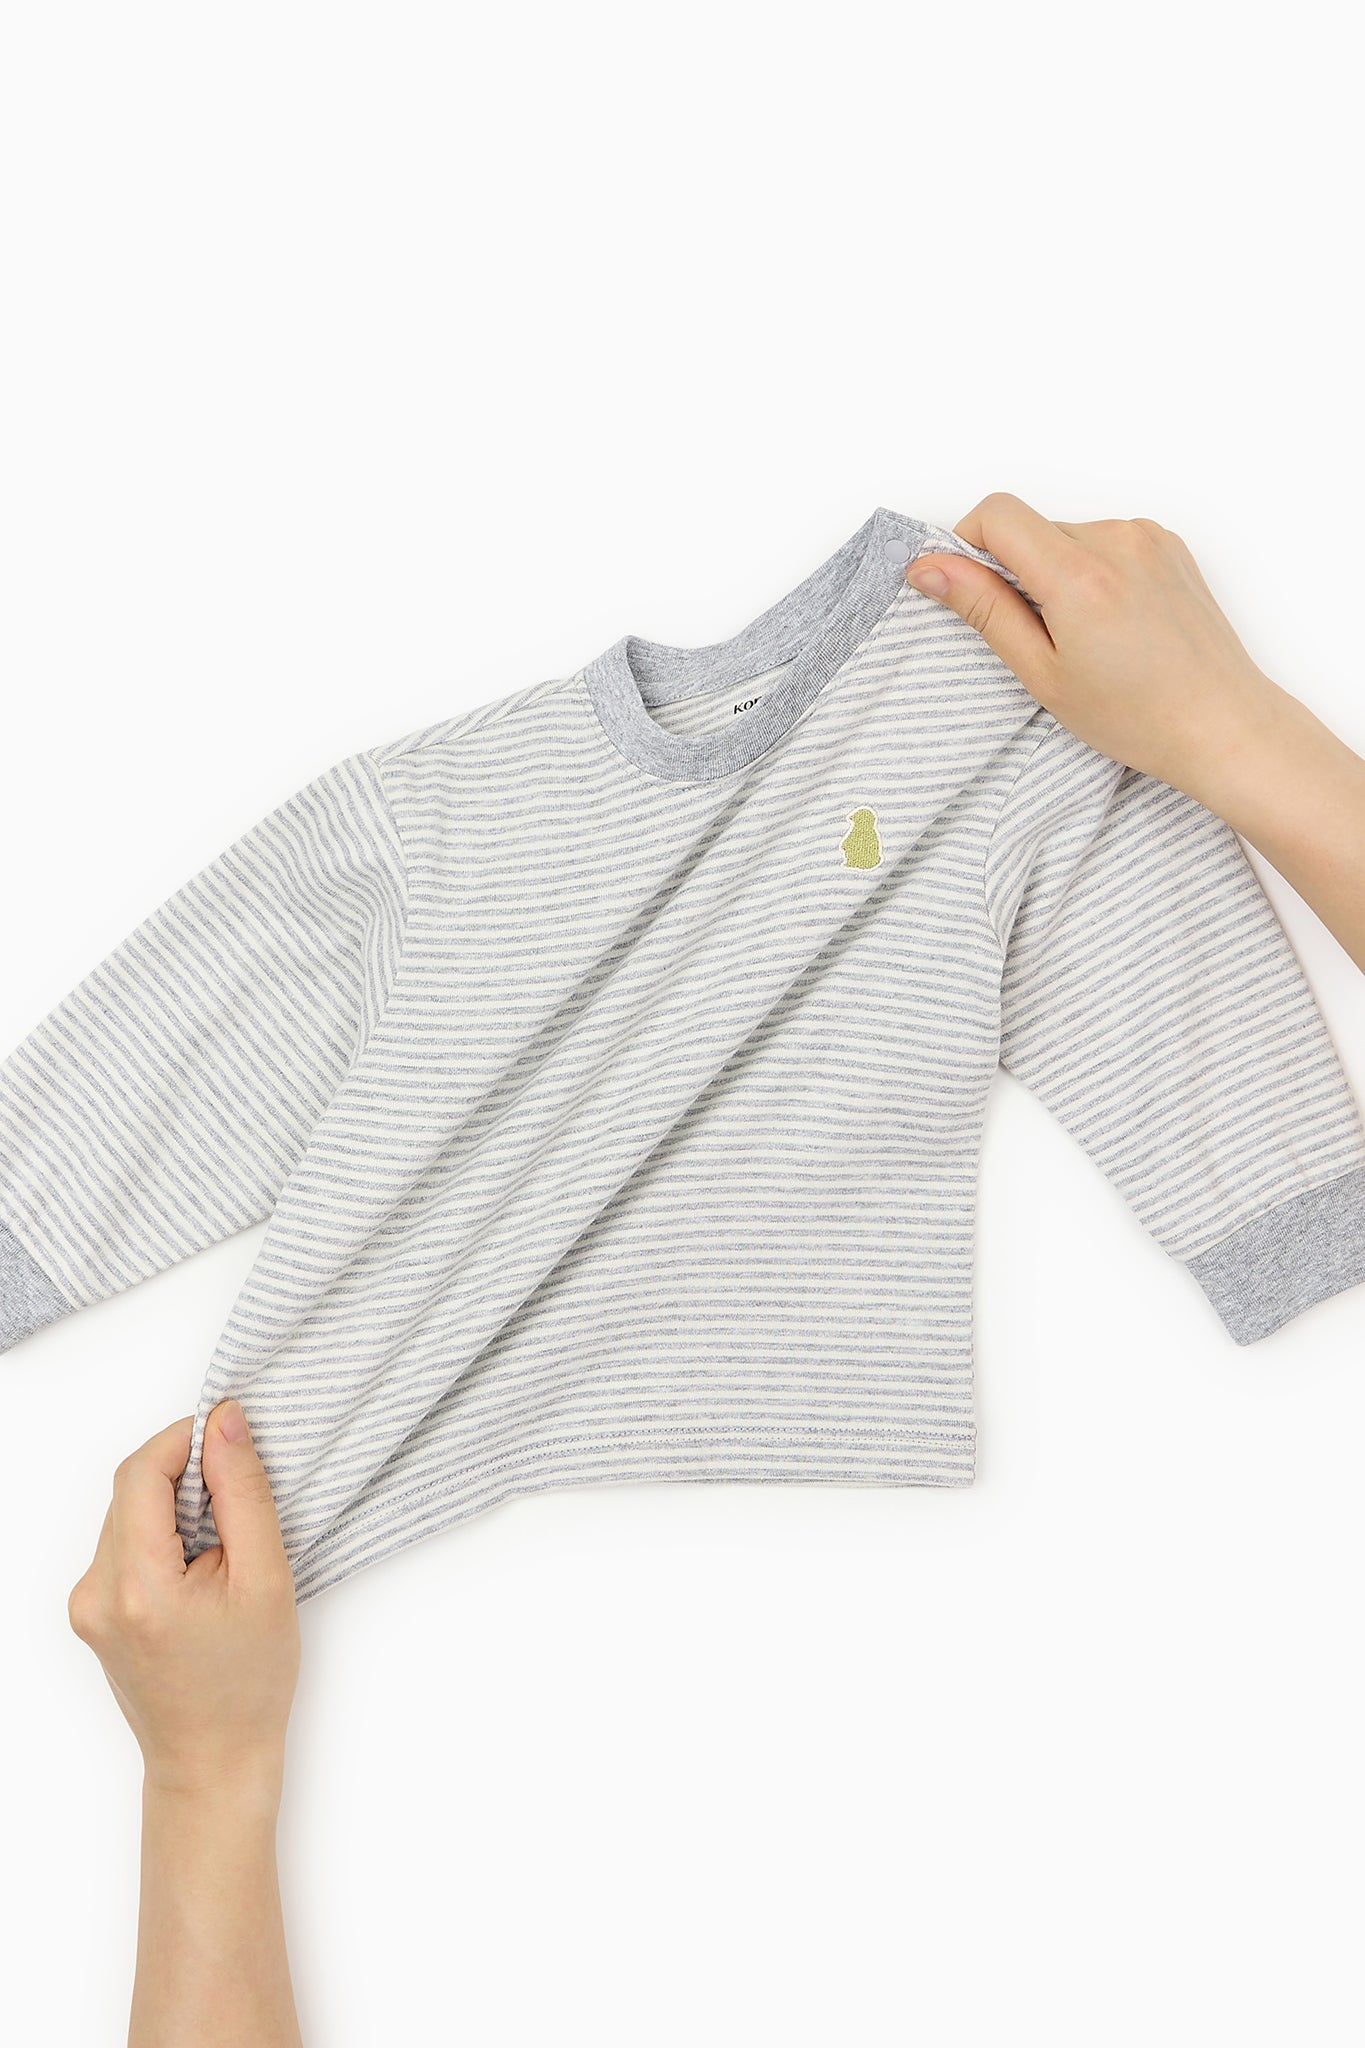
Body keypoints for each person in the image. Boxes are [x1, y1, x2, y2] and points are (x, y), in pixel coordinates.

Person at [66, 494, 1365, 2048]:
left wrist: (1279, 1207)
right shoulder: (456, 802)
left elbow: (1113, 859)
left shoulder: (989, 711)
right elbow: (213, 1010)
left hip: (667, 1602)